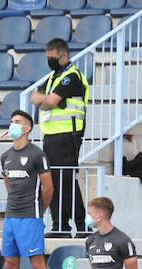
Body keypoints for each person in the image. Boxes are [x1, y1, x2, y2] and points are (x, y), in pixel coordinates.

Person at [29, 39, 89, 237]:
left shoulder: (71, 77)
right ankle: (60, 226)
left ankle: (81, 225)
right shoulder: (55, 76)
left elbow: (48, 101)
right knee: (53, 180)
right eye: (48, 57)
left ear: (64, 55)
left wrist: (44, 100)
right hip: (52, 136)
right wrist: (43, 100)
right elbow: (35, 97)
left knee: (66, 179)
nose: (50, 61)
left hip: (67, 135)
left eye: (53, 57)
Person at [0, 110, 54, 269]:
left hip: (30, 217)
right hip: (10, 217)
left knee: (37, 264)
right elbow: (8, 184)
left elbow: (48, 188)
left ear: (27, 128)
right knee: (10, 264)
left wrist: (39, 211)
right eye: (11, 121)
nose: (12, 124)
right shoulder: (5, 156)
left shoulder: (37, 154)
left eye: (17, 121)